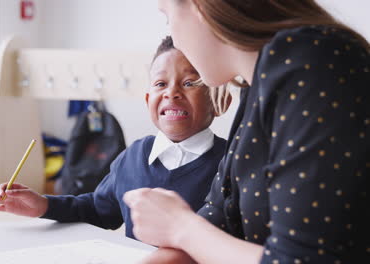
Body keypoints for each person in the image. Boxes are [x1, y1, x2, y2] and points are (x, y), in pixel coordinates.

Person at [123, 0, 369, 263]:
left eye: (167, 16)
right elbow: (218, 220)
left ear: (200, 6)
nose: (177, 41)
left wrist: (181, 227)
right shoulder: (257, 87)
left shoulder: (317, 61)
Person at [0, 36, 231, 239]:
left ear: (220, 101)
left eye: (189, 82)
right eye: (160, 84)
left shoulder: (231, 164)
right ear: (148, 101)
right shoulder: (133, 157)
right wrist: (44, 205)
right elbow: (96, 209)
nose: (172, 93)